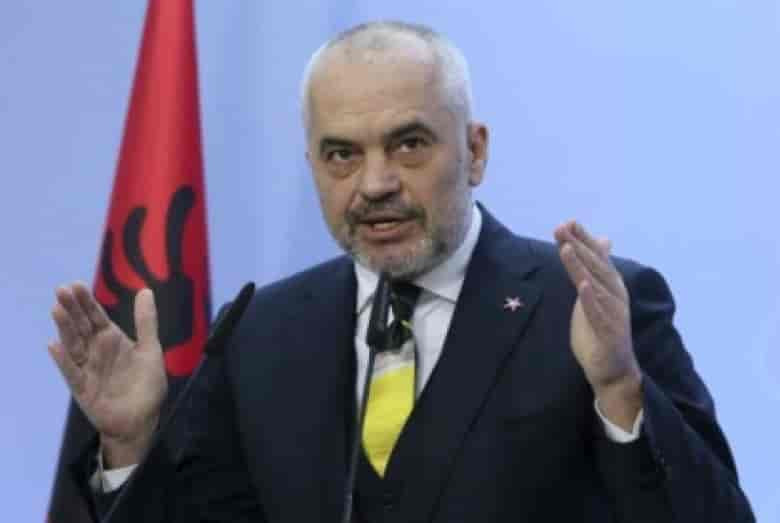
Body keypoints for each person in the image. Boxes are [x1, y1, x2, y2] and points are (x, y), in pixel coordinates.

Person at [49, 21, 754, 522]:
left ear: (475, 151)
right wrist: (132, 442)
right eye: (342, 155)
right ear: (313, 166)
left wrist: (621, 391)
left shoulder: (590, 308)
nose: (375, 183)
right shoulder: (262, 331)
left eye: (409, 144)